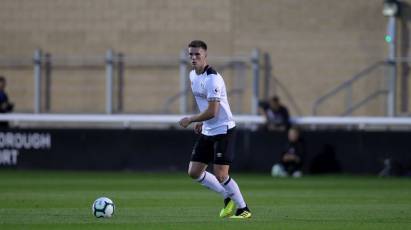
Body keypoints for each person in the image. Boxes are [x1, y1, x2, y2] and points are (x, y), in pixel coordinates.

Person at [178, 40, 251, 219]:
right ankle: (228, 196)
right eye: (191, 55)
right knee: (194, 172)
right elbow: (205, 105)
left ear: (205, 56)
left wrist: (191, 119)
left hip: (223, 131)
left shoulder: (213, 78)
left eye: (197, 54)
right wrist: (202, 123)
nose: (194, 58)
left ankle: (244, 209)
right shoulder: (192, 76)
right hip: (208, 130)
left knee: (221, 175)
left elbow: (213, 111)